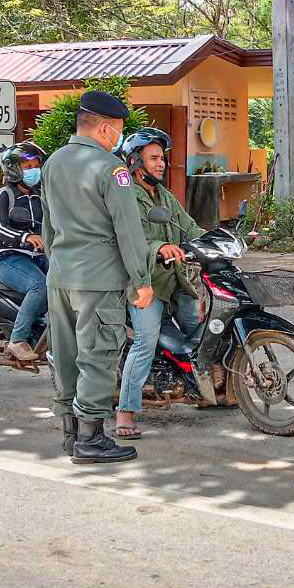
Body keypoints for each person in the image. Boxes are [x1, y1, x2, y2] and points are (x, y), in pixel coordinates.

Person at [40, 90, 154, 465]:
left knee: (66, 356)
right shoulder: (112, 168)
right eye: (118, 129)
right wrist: (141, 280)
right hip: (99, 279)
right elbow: (128, 229)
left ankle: (71, 434)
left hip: (61, 277)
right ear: (105, 128)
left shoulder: (53, 162)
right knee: (98, 357)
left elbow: (48, 225)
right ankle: (91, 439)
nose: (118, 137)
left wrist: (57, 264)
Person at [114, 127, 205, 440]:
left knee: (201, 329)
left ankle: (201, 387)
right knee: (145, 341)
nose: (161, 163)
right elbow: (128, 238)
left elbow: (189, 227)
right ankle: (125, 411)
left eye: (162, 158)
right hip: (142, 283)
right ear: (135, 162)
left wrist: (218, 242)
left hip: (175, 279)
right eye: (153, 158)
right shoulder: (126, 196)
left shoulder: (164, 196)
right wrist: (159, 247)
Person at [0, 141, 49, 363]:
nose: (34, 170)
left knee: (66, 283)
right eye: (28, 166)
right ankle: (17, 339)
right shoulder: (3, 195)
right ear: (14, 169)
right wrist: (25, 237)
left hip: (37, 256)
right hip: (7, 256)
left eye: (36, 165)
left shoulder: (40, 196)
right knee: (39, 286)